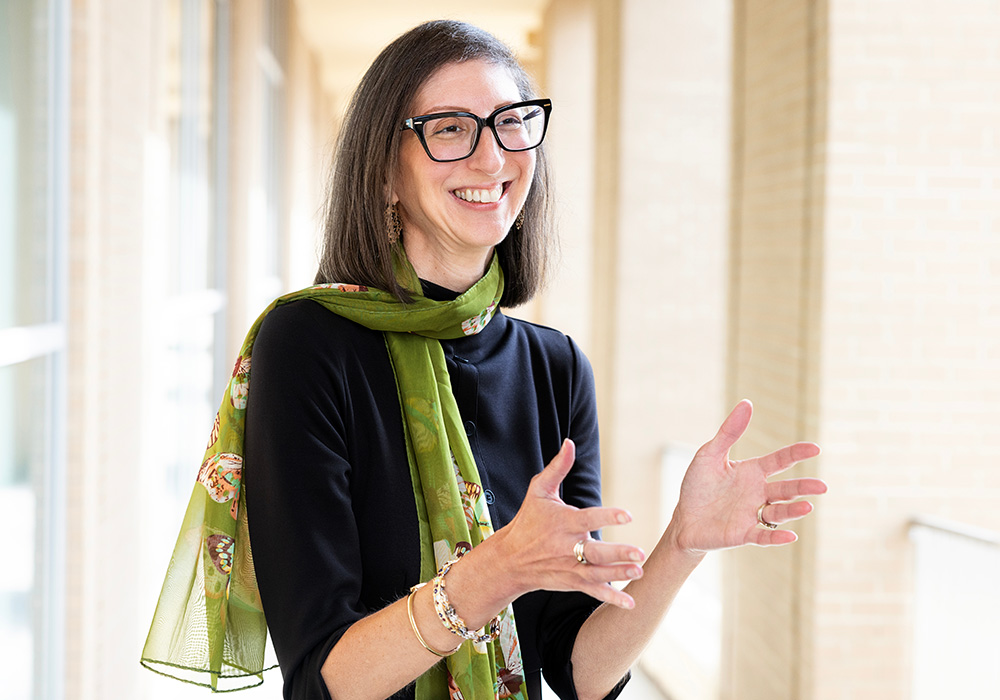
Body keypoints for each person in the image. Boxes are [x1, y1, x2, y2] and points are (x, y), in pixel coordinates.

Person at [141, 19, 827, 700]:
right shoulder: (308, 347)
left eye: (510, 123)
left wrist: (681, 545)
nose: (492, 158)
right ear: (385, 172)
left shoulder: (556, 368)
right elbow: (325, 681)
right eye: (449, 129)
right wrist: (494, 571)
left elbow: (577, 668)